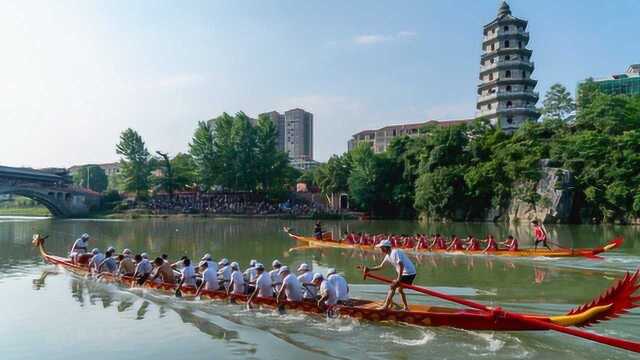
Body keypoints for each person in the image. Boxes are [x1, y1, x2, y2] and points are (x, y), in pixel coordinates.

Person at [364, 239, 416, 311]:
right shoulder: (388, 256)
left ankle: (385, 306)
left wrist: (398, 279)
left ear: (385, 247)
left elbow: (401, 265)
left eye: (381, 248)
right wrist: (369, 269)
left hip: (409, 273)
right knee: (399, 290)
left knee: (392, 286)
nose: (380, 249)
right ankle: (406, 307)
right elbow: (381, 267)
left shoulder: (395, 252)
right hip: (406, 273)